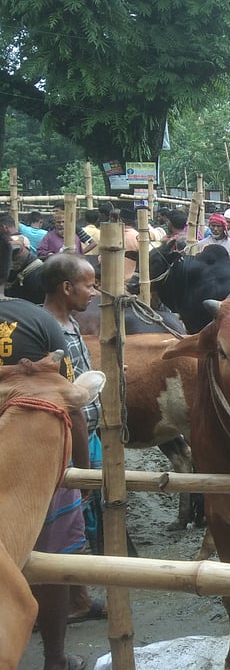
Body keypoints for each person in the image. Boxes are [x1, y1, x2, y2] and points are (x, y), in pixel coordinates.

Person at [0, 236, 95, 670]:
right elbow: (70, 404)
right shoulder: (37, 321)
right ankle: (56, 661)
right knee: (52, 555)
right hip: (38, 467)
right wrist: (81, 471)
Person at [40, 253, 107, 624]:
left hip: (85, 434)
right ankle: (60, 603)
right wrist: (82, 468)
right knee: (67, 520)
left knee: (79, 522)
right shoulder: (50, 331)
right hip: (69, 440)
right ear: (67, 288)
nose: (94, 292)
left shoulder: (68, 322)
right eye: (88, 284)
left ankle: (78, 597)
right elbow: (72, 405)